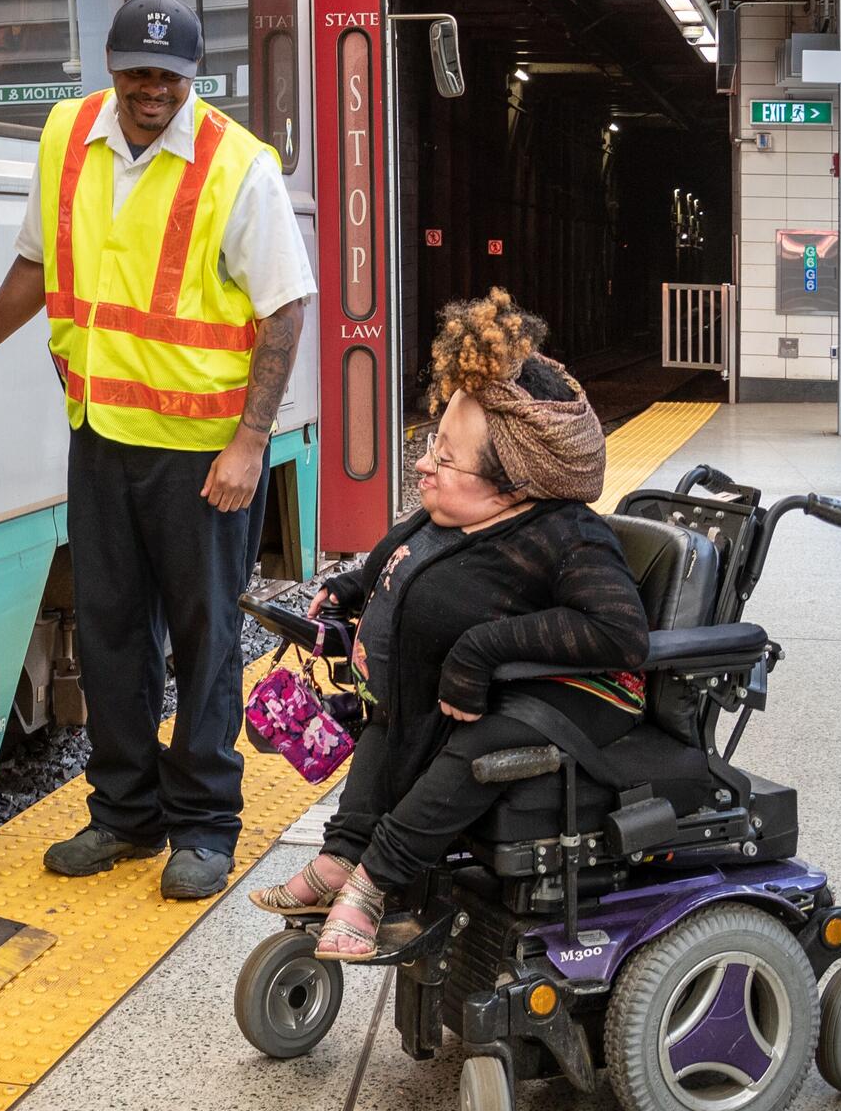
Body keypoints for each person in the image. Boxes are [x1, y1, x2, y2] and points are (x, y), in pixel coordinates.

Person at [0, 0, 315, 901]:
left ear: (191, 77)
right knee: (112, 633)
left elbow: (284, 306)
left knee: (208, 642)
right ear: (111, 65)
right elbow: (34, 267)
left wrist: (250, 443)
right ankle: (125, 814)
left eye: (168, 76)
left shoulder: (235, 166)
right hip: (101, 439)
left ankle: (205, 824)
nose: (150, 90)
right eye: (136, 72)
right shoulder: (67, 137)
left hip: (203, 455)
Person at [248, 291, 650, 958]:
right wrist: (352, 588)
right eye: (433, 446)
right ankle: (342, 857)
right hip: (490, 682)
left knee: (473, 747)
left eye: (447, 459)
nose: (424, 465)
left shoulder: (566, 535)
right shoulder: (451, 516)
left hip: (579, 695)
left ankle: (378, 880)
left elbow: (620, 633)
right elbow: (400, 562)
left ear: (515, 483)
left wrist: (480, 649)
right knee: (390, 711)